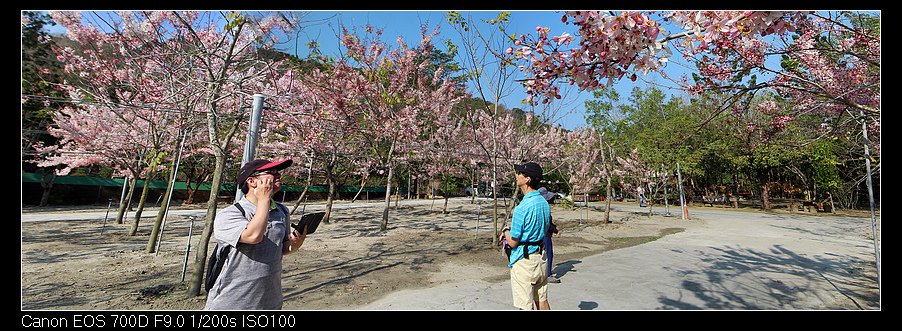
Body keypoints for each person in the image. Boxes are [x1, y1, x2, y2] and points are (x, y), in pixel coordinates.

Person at [204, 158, 306, 310]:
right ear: (251, 181)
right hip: (232, 303)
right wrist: (264, 199)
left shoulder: (281, 211)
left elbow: (281, 247)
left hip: (270, 302)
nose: (277, 175)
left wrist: (295, 244)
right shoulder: (230, 214)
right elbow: (253, 236)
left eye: (278, 172)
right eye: (271, 172)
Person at [500, 162, 551, 310]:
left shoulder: (522, 208)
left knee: (525, 305)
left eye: (520, 173)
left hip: (524, 262)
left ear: (527, 179)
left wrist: (505, 232)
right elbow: (546, 227)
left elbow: (513, 242)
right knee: (542, 300)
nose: (517, 176)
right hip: (541, 257)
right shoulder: (543, 202)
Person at [537, 187, 561, 283]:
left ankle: (539, 274)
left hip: (536, 234)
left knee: (538, 254)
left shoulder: (537, 206)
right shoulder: (545, 207)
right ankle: (548, 274)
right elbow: (548, 223)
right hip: (545, 234)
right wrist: (556, 230)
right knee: (549, 254)